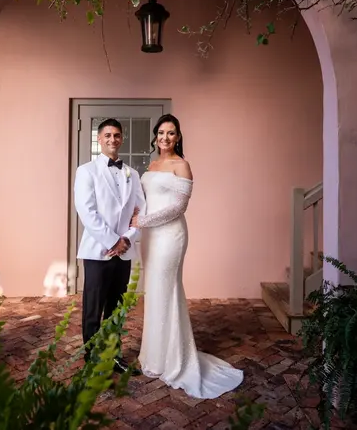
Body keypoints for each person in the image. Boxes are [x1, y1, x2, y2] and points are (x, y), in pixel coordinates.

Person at [130, 114, 243, 399]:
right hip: (151, 238)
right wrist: (135, 218)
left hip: (170, 236)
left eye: (171, 133)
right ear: (155, 136)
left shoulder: (182, 165)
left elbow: (178, 208)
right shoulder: (153, 164)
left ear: (178, 137)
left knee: (167, 290)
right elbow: (144, 199)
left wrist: (142, 221)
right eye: (161, 133)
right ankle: (154, 356)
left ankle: (174, 359)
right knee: (153, 291)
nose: (165, 138)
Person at [74, 118, 145, 375]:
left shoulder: (132, 174)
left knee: (116, 307)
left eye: (116, 135)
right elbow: (86, 210)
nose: (112, 139)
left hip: (124, 251)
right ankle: (92, 358)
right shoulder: (86, 171)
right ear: (99, 138)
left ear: (121, 139)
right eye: (107, 135)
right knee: (93, 306)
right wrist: (112, 240)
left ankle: (114, 355)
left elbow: (141, 210)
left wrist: (127, 238)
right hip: (97, 250)